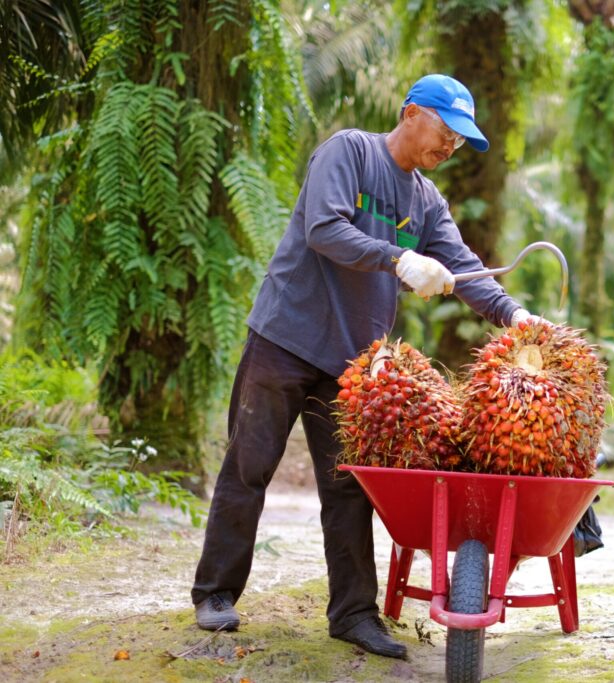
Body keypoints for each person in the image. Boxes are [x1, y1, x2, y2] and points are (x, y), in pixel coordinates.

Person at [190, 74, 538, 659]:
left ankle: (353, 613)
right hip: (285, 336)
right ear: (409, 113)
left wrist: (516, 314)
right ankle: (215, 593)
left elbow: (463, 265)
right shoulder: (349, 151)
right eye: (446, 131)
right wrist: (399, 257)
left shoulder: (426, 200)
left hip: (353, 364)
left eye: (461, 140)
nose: (450, 147)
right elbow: (325, 230)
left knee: (349, 488)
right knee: (248, 467)